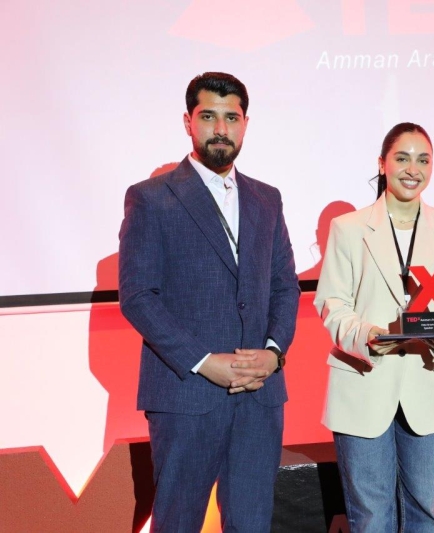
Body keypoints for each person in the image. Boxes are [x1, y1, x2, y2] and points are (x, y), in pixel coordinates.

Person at [119, 72, 300, 532]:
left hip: (259, 395)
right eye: (208, 117)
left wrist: (274, 353)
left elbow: (285, 287)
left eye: (231, 118)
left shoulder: (267, 199)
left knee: (252, 523)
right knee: (178, 523)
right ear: (188, 122)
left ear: (245, 124)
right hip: (186, 395)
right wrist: (203, 362)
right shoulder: (150, 198)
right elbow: (138, 296)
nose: (221, 129)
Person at [313, 122, 434, 532]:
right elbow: (332, 304)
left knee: (432, 515)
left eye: (423, 160)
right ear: (382, 163)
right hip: (364, 381)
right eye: (402, 158)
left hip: (427, 383)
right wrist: (365, 336)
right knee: (371, 518)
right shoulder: (348, 227)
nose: (413, 169)